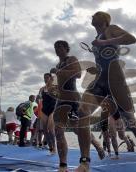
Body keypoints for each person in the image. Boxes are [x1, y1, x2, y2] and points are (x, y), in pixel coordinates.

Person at [76, 11, 136, 172]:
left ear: (104, 20)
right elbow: (102, 62)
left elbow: (131, 39)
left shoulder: (111, 29)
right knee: (83, 111)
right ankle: (85, 163)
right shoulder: (95, 39)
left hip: (115, 79)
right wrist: (94, 69)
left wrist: (104, 42)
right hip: (100, 80)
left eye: (95, 15)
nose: (92, 16)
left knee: (130, 120)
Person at [51, 40, 86, 172]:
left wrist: (59, 72)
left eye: (59, 46)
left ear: (66, 48)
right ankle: (63, 166)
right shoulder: (58, 64)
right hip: (61, 100)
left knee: (77, 130)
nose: (57, 49)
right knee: (58, 131)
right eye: (55, 47)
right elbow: (60, 83)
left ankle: (96, 145)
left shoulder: (71, 59)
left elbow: (78, 74)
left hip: (73, 99)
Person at [38, 73, 57, 154]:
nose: (45, 79)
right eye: (44, 78)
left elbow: (59, 98)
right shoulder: (42, 89)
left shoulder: (55, 87)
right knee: (45, 130)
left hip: (53, 109)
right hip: (44, 110)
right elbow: (38, 99)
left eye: (47, 77)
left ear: (50, 78)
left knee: (51, 129)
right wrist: (38, 99)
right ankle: (50, 147)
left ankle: (55, 147)